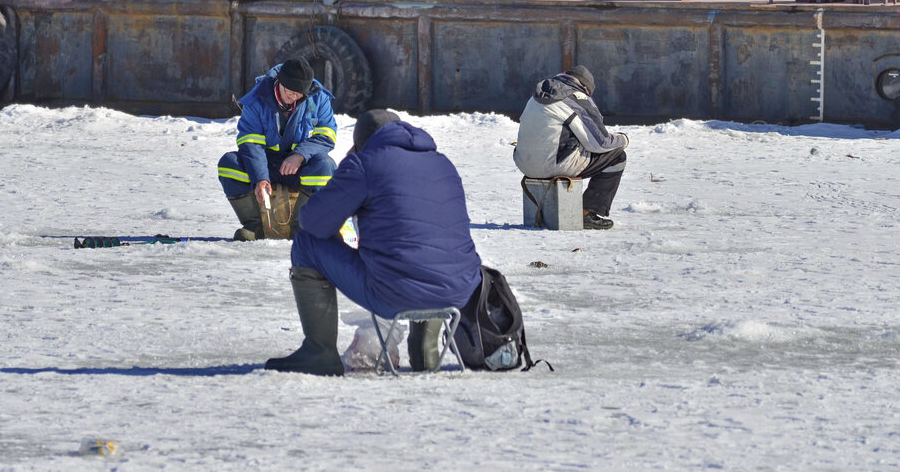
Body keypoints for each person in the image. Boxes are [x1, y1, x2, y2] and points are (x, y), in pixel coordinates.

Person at [265, 110, 482, 376]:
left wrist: (348, 168)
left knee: (306, 243)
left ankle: (318, 352)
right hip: (458, 289)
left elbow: (313, 222)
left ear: (360, 143)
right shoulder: (442, 163)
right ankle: (426, 351)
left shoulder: (365, 163)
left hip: (395, 294)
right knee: (431, 254)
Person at [216, 58, 337, 241]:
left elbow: (327, 136)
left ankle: (302, 229)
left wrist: (300, 155)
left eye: (299, 94)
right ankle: (254, 226)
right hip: (267, 165)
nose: (293, 97)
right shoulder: (257, 98)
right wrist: (260, 177)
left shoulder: (318, 97)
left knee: (326, 166)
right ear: (279, 82)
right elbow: (251, 143)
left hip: (300, 165)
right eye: (290, 92)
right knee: (229, 164)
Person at [513, 65, 628, 230]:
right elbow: (600, 142)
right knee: (617, 156)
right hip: (555, 164)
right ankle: (587, 213)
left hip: (525, 164)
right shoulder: (577, 97)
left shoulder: (536, 95)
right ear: (586, 87)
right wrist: (623, 139)